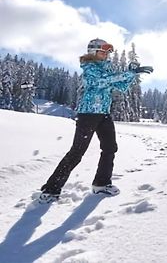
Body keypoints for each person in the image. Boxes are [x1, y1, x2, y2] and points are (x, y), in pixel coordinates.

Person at [39, 38, 153, 203]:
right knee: (77, 153)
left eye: (107, 52)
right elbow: (100, 82)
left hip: (103, 114)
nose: (106, 54)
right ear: (93, 51)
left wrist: (132, 74)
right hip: (88, 114)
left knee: (110, 148)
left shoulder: (107, 69)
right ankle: (50, 190)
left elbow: (120, 87)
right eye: (103, 51)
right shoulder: (89, 68)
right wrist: (126, 74)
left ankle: (101, 184)